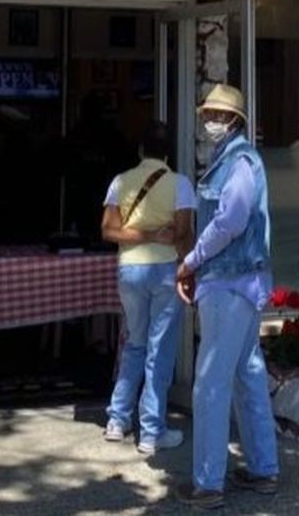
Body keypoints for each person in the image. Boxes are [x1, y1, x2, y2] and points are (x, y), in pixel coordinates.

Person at [175, 84, 279, 510]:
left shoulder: (237, 162)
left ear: (235, 121)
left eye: (219, 114)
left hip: (227, 284)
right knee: (247, 374)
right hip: (245, 284)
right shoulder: (238, 159)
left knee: (210, 384)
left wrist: (191, 262)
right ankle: (262, 468)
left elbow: (229, 221)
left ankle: (208, 484)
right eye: (208, 114)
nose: (211, 121)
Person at [101, 119, 195, 454]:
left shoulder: (120, 181)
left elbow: (108, 230)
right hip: (166, 269)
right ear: (169, 154)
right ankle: (152, 431)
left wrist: (140, 234)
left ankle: (117, 419)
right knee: (161, 350)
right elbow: (183, 233)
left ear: (141, 150)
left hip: (130, 269)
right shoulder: (181, 184)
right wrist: (185, 265)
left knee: (135, 344)